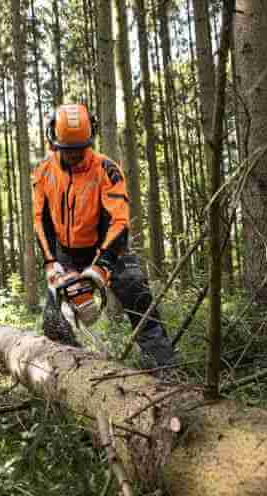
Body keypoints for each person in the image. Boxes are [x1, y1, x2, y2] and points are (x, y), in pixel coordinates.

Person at [31, 104, 176, 368]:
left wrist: (104, 263)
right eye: (68, 150)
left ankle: (163, 367)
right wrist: (51, 262)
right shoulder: (43, 172)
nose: (74, 155)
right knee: (55, 318)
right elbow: (41, 220)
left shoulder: (106, 170)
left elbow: (119, 221)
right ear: (55, 142)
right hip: (65, 251)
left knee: (136, 291)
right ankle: (70, 373)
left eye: (79, 149)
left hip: (106, 246)